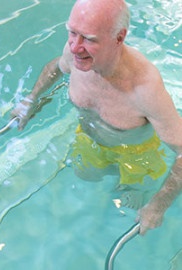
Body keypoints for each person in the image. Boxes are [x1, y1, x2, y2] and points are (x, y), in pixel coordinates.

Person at [11, 0, 182, 235]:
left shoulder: (145, 88)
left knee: (132, 196)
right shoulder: (75, 53)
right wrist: (31, 99)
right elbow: (57, 67)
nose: (74, 47)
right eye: (72, 32)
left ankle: (135, 190)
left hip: (137, 154)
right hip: (90, 138)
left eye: (89, 39)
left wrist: (158, 206)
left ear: (119, 38)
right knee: (86, 176)